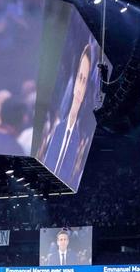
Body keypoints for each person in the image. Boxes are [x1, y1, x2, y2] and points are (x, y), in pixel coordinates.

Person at [37, 41, 98, 189]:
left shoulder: (80, 138)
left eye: (84, 81)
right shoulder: (55, 127)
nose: (79, 86)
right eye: (79, 77)